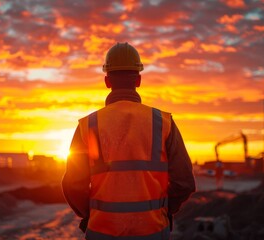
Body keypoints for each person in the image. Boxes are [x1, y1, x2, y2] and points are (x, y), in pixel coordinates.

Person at [62, 42, 196, 240]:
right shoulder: (162, 123)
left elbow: (73, 185)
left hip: (102, 233)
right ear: (139, 80)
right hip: (152, 232)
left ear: (107, 81)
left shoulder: (88, 125)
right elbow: (184, 182)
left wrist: (90, 215)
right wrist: (164, 211)